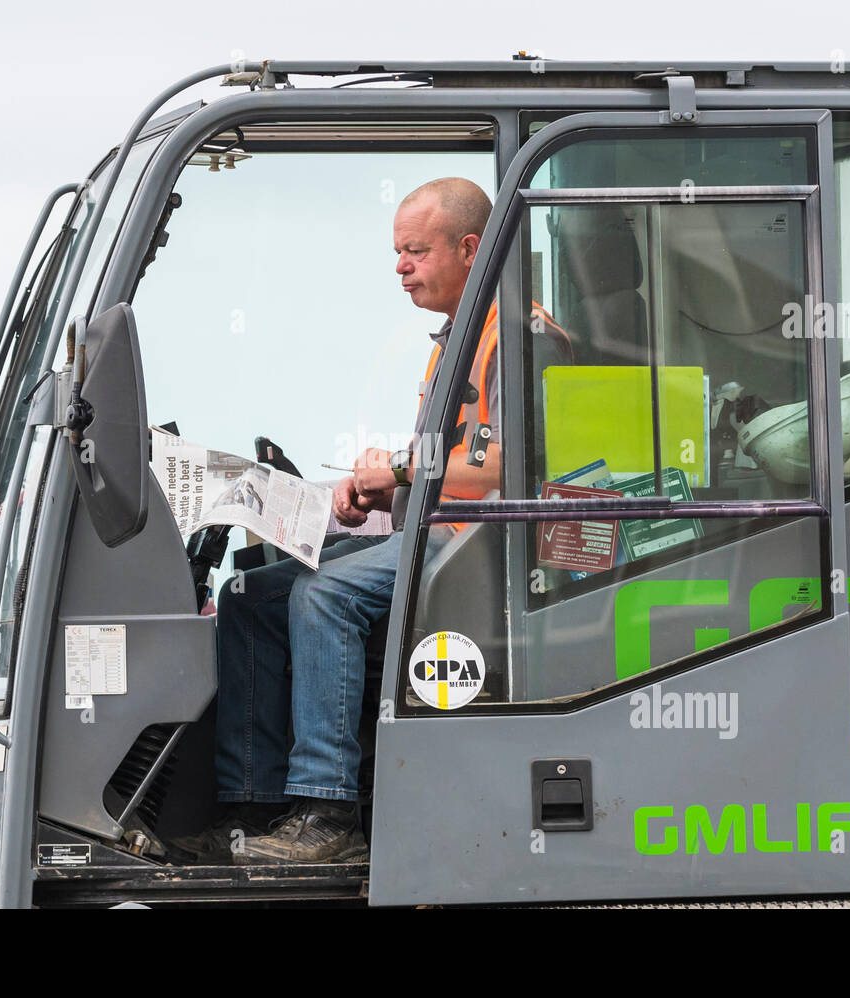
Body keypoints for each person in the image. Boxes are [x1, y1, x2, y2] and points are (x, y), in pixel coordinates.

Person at [167, 178, 569, 865]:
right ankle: (253, 805)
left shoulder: (522, 336)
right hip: (437, 533)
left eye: (415, 251)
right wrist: (379, 496)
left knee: (324, 594)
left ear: (470, 249)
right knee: (249, 597)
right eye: (397, 252)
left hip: (492, 548)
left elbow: (517, 465)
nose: (400, 267)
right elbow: (457, 464)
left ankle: (329, 813)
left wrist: (406, 472)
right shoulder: (458, 339)